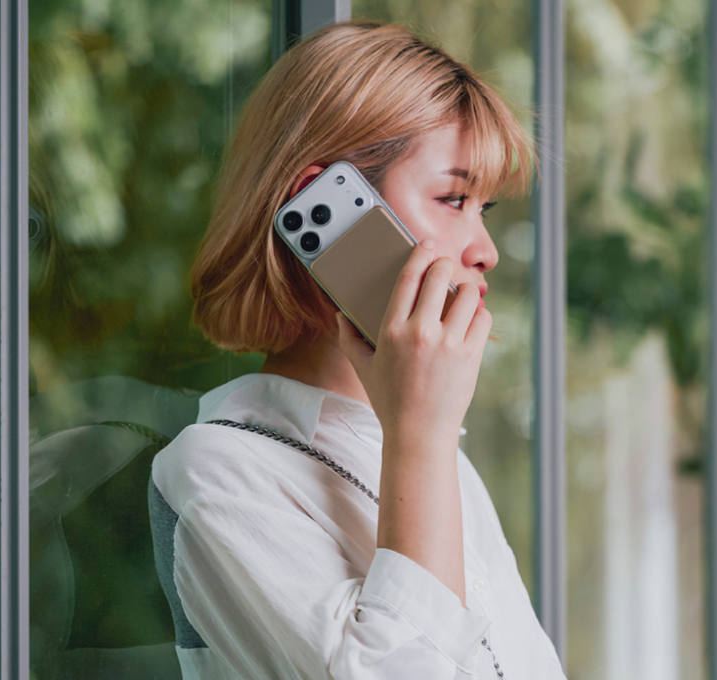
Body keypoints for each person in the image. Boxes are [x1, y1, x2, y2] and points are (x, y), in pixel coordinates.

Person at [149, 19, 567, 680]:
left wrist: (421, 438)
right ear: (323, 204)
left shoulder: (432, 461)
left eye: (482, 208)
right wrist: (421, 436)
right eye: (452, 198)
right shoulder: (217, 472)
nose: (483, 250)